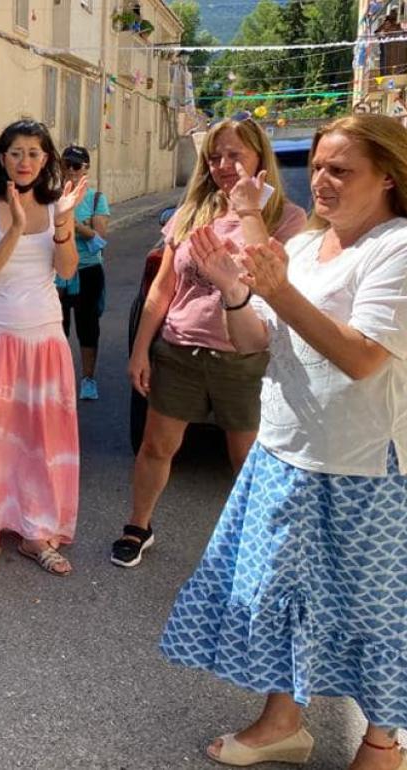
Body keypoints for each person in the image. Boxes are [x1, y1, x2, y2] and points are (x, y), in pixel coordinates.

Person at [160, 113, 407, 770]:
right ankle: (282, 724)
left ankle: (383, 745)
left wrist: (278, 289)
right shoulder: (306, 246)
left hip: (363, 463)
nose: (322, 181)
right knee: (281, 593)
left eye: (340, 170)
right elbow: (255, 342)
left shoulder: (397, 247)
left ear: (387, 178)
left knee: (370, 606)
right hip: (285, 449)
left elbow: (361, 359)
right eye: (318, 167)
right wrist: (235, 293)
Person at [113, 117, 307, 569]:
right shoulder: (192, 213)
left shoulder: (287, 218)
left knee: (247, 459)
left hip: (245, 357)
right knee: (156, 447)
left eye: (234, 155)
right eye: (215, 156)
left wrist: (248, 212)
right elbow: (161, 289)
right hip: (179, 350)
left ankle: (253, 543)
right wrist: (141, 349)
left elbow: (271, 285)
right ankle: (138, 525)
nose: (223, 165)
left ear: (259, 156)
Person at [0, 119, 87, 580]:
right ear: (2, 159)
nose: (24, 161)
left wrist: (62, 220)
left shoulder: (55, 208)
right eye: (15, 153)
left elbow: (67, 272)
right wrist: (17, 228)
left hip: (45, 337)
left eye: (33, 153)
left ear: (46, 159)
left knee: (41, 439)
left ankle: (37, 531)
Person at [54, 145, 111, 401]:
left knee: (88, 327)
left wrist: (71, 223)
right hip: (57, 271)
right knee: (57, 327)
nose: (71, 171)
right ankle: (60, 376)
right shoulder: (53, 196)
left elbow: (99, 237)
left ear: (86, 169)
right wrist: (80, 227)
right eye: (67, 165)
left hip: (88, 270)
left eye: (77, 166)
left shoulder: (97, 199)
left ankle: (88, 378)